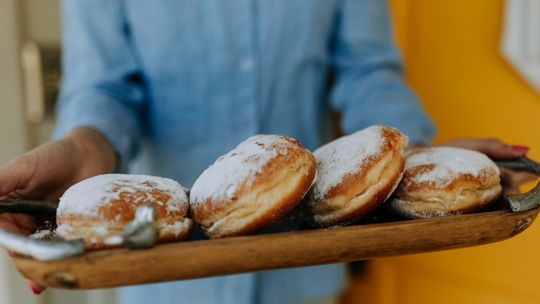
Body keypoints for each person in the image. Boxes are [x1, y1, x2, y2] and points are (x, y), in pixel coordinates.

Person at [0, 1, 534, 303]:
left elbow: (366, 70)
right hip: (163, 276)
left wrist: (415, 158)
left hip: (303, 270)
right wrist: (81, 146)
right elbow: (106, 88)